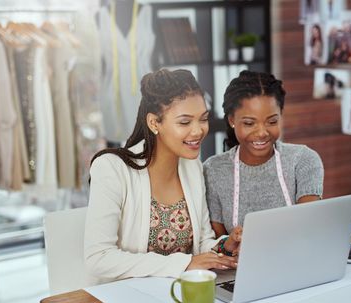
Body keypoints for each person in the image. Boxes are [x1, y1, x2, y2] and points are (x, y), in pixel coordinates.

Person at [84, 69, 239, 286]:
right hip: (125, 298)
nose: (198, 131)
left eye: (203, 119)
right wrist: (184, 264)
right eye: (185, 122)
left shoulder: (191, 166)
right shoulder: (112, 168)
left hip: (181, 295)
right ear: (154, 122)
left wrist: (225, 246)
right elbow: (98, 258)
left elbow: (202, 242)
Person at [203, 70, 324, 239]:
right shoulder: (213, 170)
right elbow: (217, 244)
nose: (262, 132)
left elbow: (309, 230)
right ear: (232, 120)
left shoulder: (303, 160)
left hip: (296, 260)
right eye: (249, 123)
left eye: (272, 121)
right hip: (238, 265)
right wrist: (230, 246)